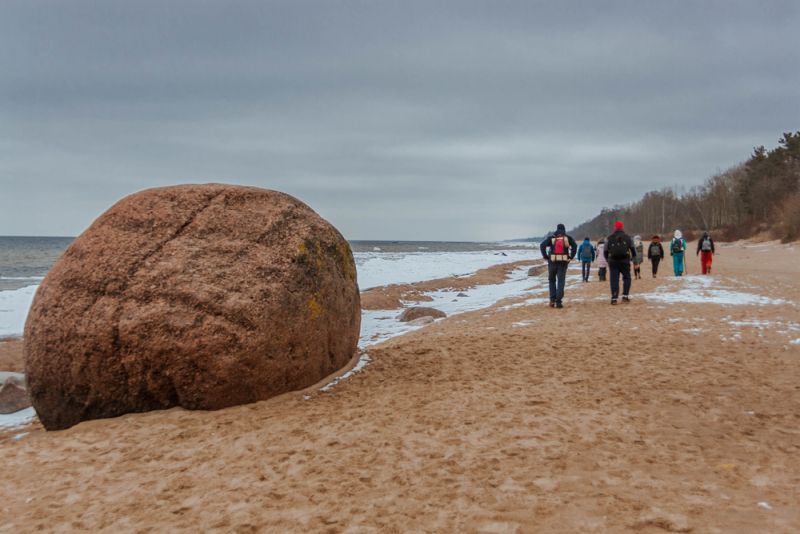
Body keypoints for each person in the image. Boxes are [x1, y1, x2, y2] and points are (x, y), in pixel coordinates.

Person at [539, 223, 577, 308]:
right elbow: (575, 246)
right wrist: (571, 257)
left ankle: (552, 300)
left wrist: (545, 256)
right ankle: (559, 302)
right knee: (561, 281)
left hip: (552, 262)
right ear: (564, 229)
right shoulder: (568, 238)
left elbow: (542, 245)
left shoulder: (552, 237)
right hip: (563, 262)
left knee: (552, 280)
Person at [603, 220, 636, 305]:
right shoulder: (628, 237)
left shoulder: (609, 238)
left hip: (613, 261)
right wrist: (633, 258)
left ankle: (614, 297)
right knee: (627, 278)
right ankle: (625, 296)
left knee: (614, 279)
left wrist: (607, 258)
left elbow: (605, 250)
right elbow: (633, 249)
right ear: (622, 227)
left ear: (615, 227)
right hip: (625, 261)